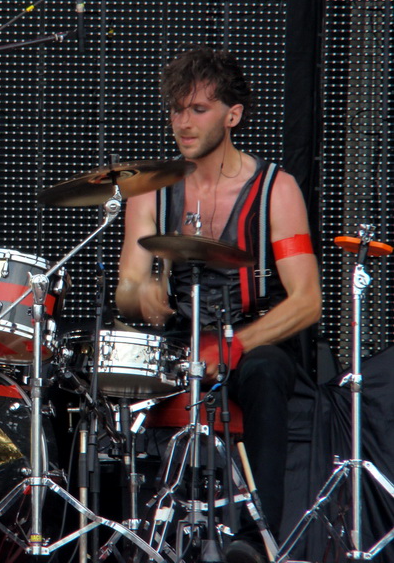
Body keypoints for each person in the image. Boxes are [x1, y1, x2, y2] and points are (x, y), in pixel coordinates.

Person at [115, 46, 321, 562]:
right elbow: (126, 289)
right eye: (176, 109)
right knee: (93, 372)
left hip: (251, 342)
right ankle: (121, 533)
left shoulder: (277, 189)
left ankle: (256, 540)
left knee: (270, 372)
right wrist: (146, 297)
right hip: (172, 345)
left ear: (233, 115)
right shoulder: (150, 190)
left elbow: (307, 301)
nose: (182, 123)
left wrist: (236, 345)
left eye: (198, 110)